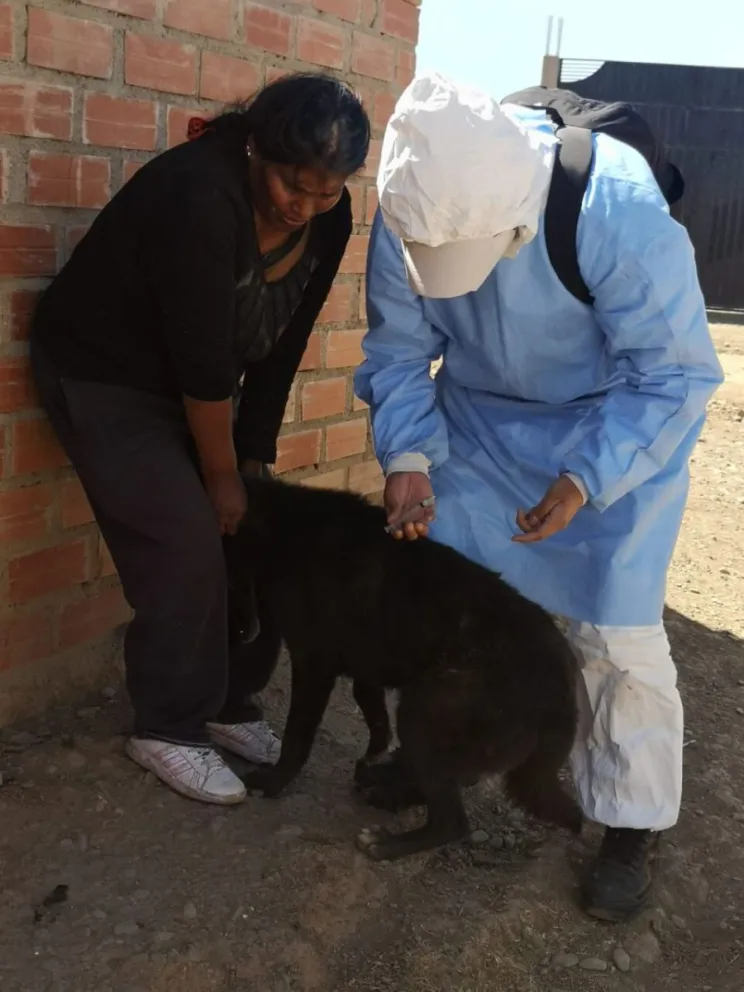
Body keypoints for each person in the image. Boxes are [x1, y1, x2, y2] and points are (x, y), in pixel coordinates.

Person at [356, 71, 723, 922]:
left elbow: (671, 375)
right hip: (479, 429)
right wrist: (408, 454)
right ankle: (432, 760)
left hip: (611, 432)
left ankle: (630, 818)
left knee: (615, 634)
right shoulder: (413, 201)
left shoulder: (618, 210)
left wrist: (586, 476)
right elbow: (401, 348)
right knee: (450, 609)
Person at [30, 73, 370, 806]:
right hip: (105, 375)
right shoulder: (198, 196)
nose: (305, 205)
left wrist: (252, 460)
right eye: (292, 186)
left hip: (202, 384)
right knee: (186, 538)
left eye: (326, 191)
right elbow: (201, 363)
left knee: (256, 531)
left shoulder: (330, 217)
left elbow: (280, 346)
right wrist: (220, 477)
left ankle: (225, 701)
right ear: (256, 149)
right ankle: (167, 725)